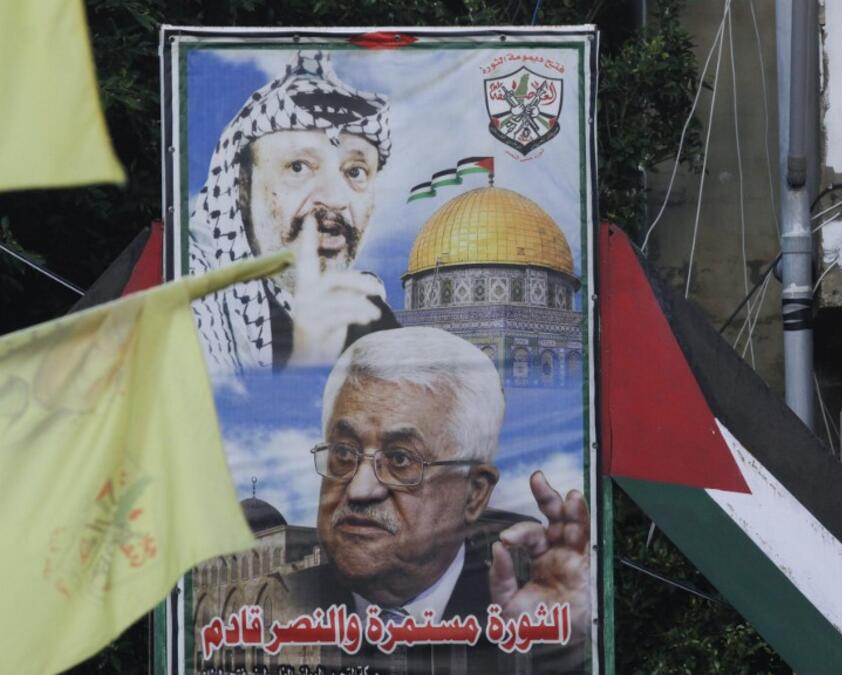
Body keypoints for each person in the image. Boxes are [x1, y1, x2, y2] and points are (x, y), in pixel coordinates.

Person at [283, 327, 589, 673]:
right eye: (343, 452)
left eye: (400, 460)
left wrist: (567, 647)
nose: (359, 489)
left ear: (474, 494)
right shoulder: (276, 607)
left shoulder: (523, 614)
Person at [189, 51, 398, 372]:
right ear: (242, 186)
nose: (334, 198)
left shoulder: (370, 318)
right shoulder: (184, 290)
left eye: (355, 172)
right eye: (299, 167)